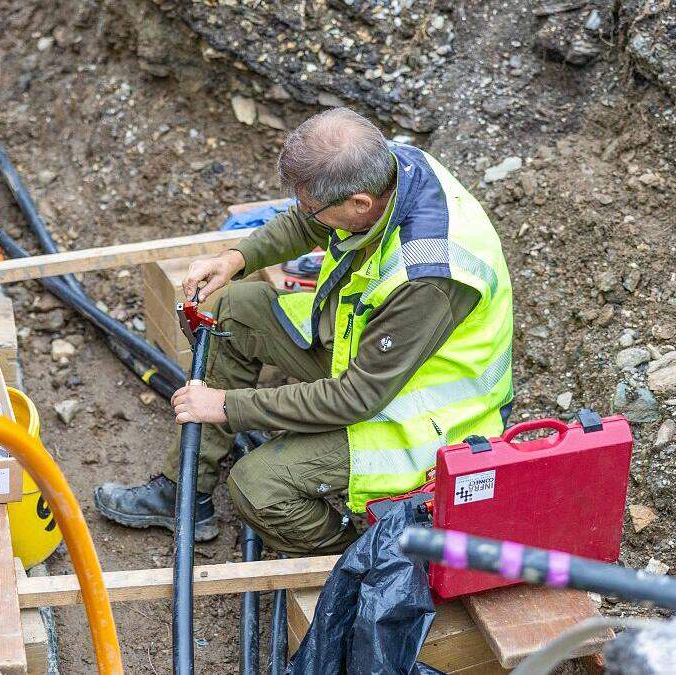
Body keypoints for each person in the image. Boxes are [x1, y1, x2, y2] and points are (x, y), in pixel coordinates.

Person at [95, 107, 513, 555]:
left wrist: (226, 406)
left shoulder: (429, 276)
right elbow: (303, 222)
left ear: (359, 204)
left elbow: (355, 399)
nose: (308, 216)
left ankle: (360, 553)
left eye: (316, 208)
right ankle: (184, 491)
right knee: (236, 311)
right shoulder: (386, 168)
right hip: (372, 362)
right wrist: (235, 259)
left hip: (423, 422)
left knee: (258, 487)